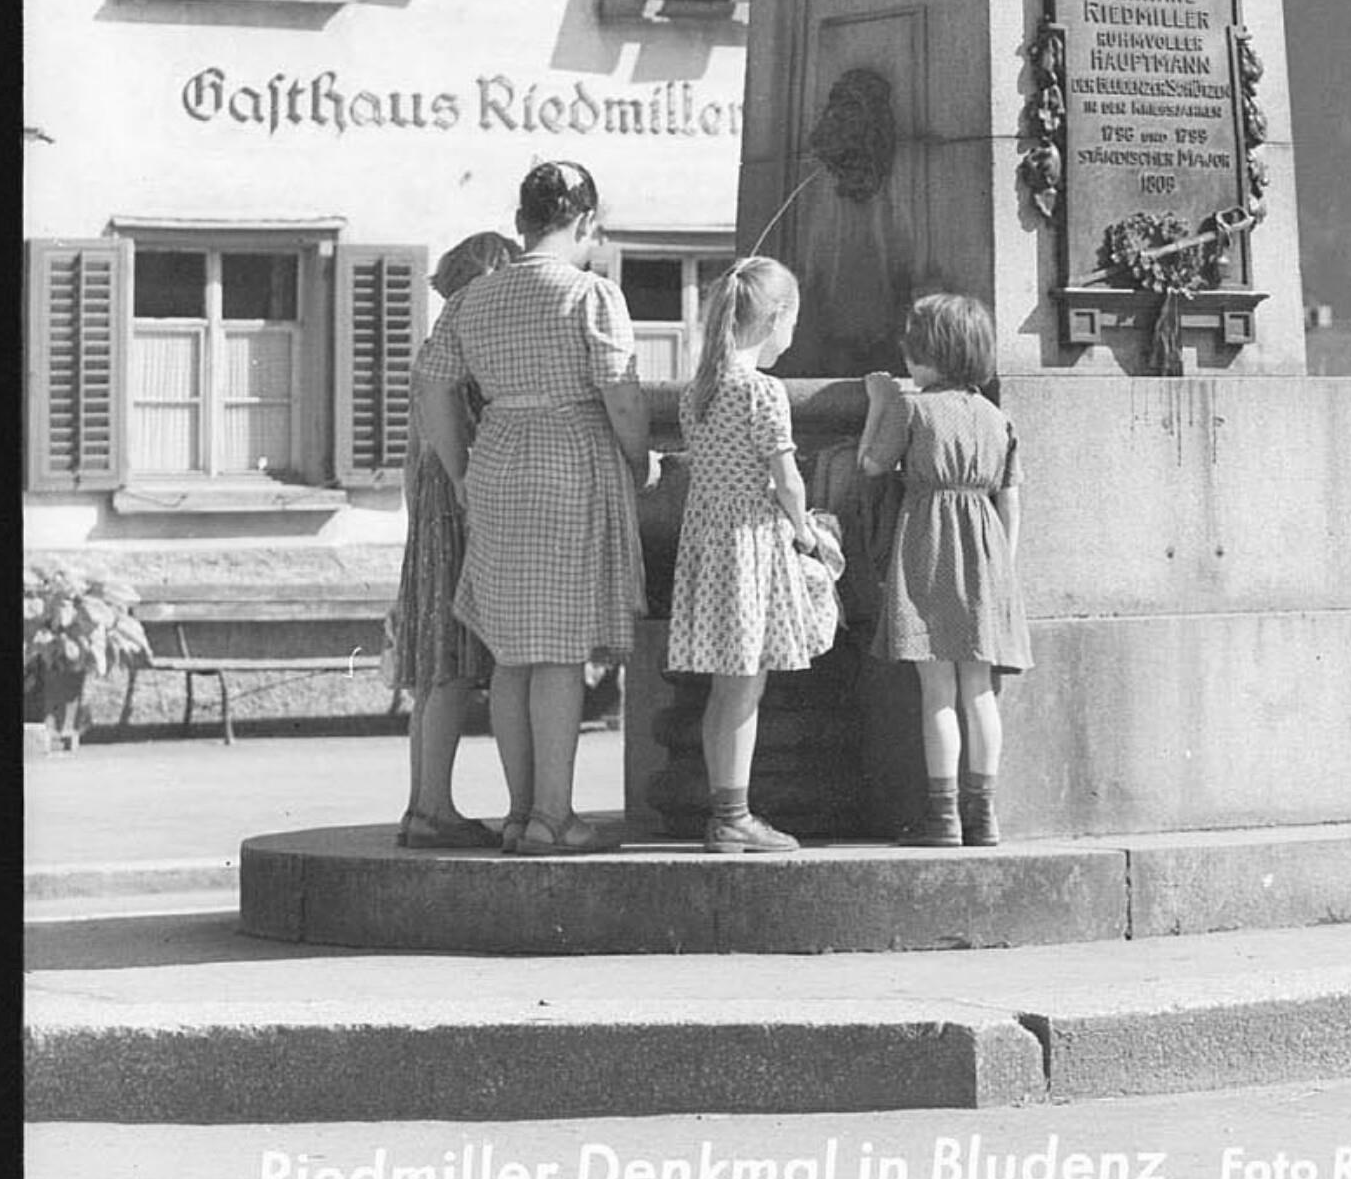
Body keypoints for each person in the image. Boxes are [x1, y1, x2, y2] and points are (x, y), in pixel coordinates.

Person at [413, 159, 650, 856]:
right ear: (585, 220)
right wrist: (639, 458)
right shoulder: (591, 294)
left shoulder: (473, 298)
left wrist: (461, 470)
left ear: (520, 221)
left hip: (497, 459)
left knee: (512, 653)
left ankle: (521, 813)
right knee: (559, 652)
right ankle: (553, 816)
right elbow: (621, 394)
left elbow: (433, 388)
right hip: (569, 459)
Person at [665, 253, 844, 855]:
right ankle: (734, 817)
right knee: (746, 687)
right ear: (775, 319)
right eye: (792, 322)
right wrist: (805, 529)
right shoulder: (762, 390)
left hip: (708, 544)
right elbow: (786, 478)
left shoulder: (700, 390)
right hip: (749, 545)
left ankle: (726, 811)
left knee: (725, 688)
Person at [854, 286, 1031, 847]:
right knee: (979, 690)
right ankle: (985, 814)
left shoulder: (912, 408)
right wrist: (1004, 568)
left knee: (937, 691)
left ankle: (944, 815)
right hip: (986, 555)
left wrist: (879, 401)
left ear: (928, 355)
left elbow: (871, 464)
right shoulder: (996, 418)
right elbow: (1011, 500)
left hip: (927, 550)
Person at [388, 226, 518, 851]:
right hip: (458, 515)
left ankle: (424, 805)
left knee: (439, 673)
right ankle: (433, 808)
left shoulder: (434, 347)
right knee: (452, 671)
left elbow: (413, 457)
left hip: (430, 520)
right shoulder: (467, 351)